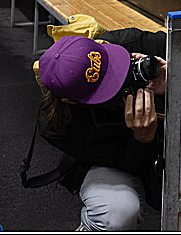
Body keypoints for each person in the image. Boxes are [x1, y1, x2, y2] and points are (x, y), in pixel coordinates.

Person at [37, 29, 166, 231]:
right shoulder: (58, 125)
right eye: (106, 89)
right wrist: (144, 137)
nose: (121, 82)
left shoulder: (129, 43)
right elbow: (126, 162)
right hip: (120, 158)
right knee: (117, 212)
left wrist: (176, 78)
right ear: (71, 101)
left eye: (116, 69)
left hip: (177, 137)